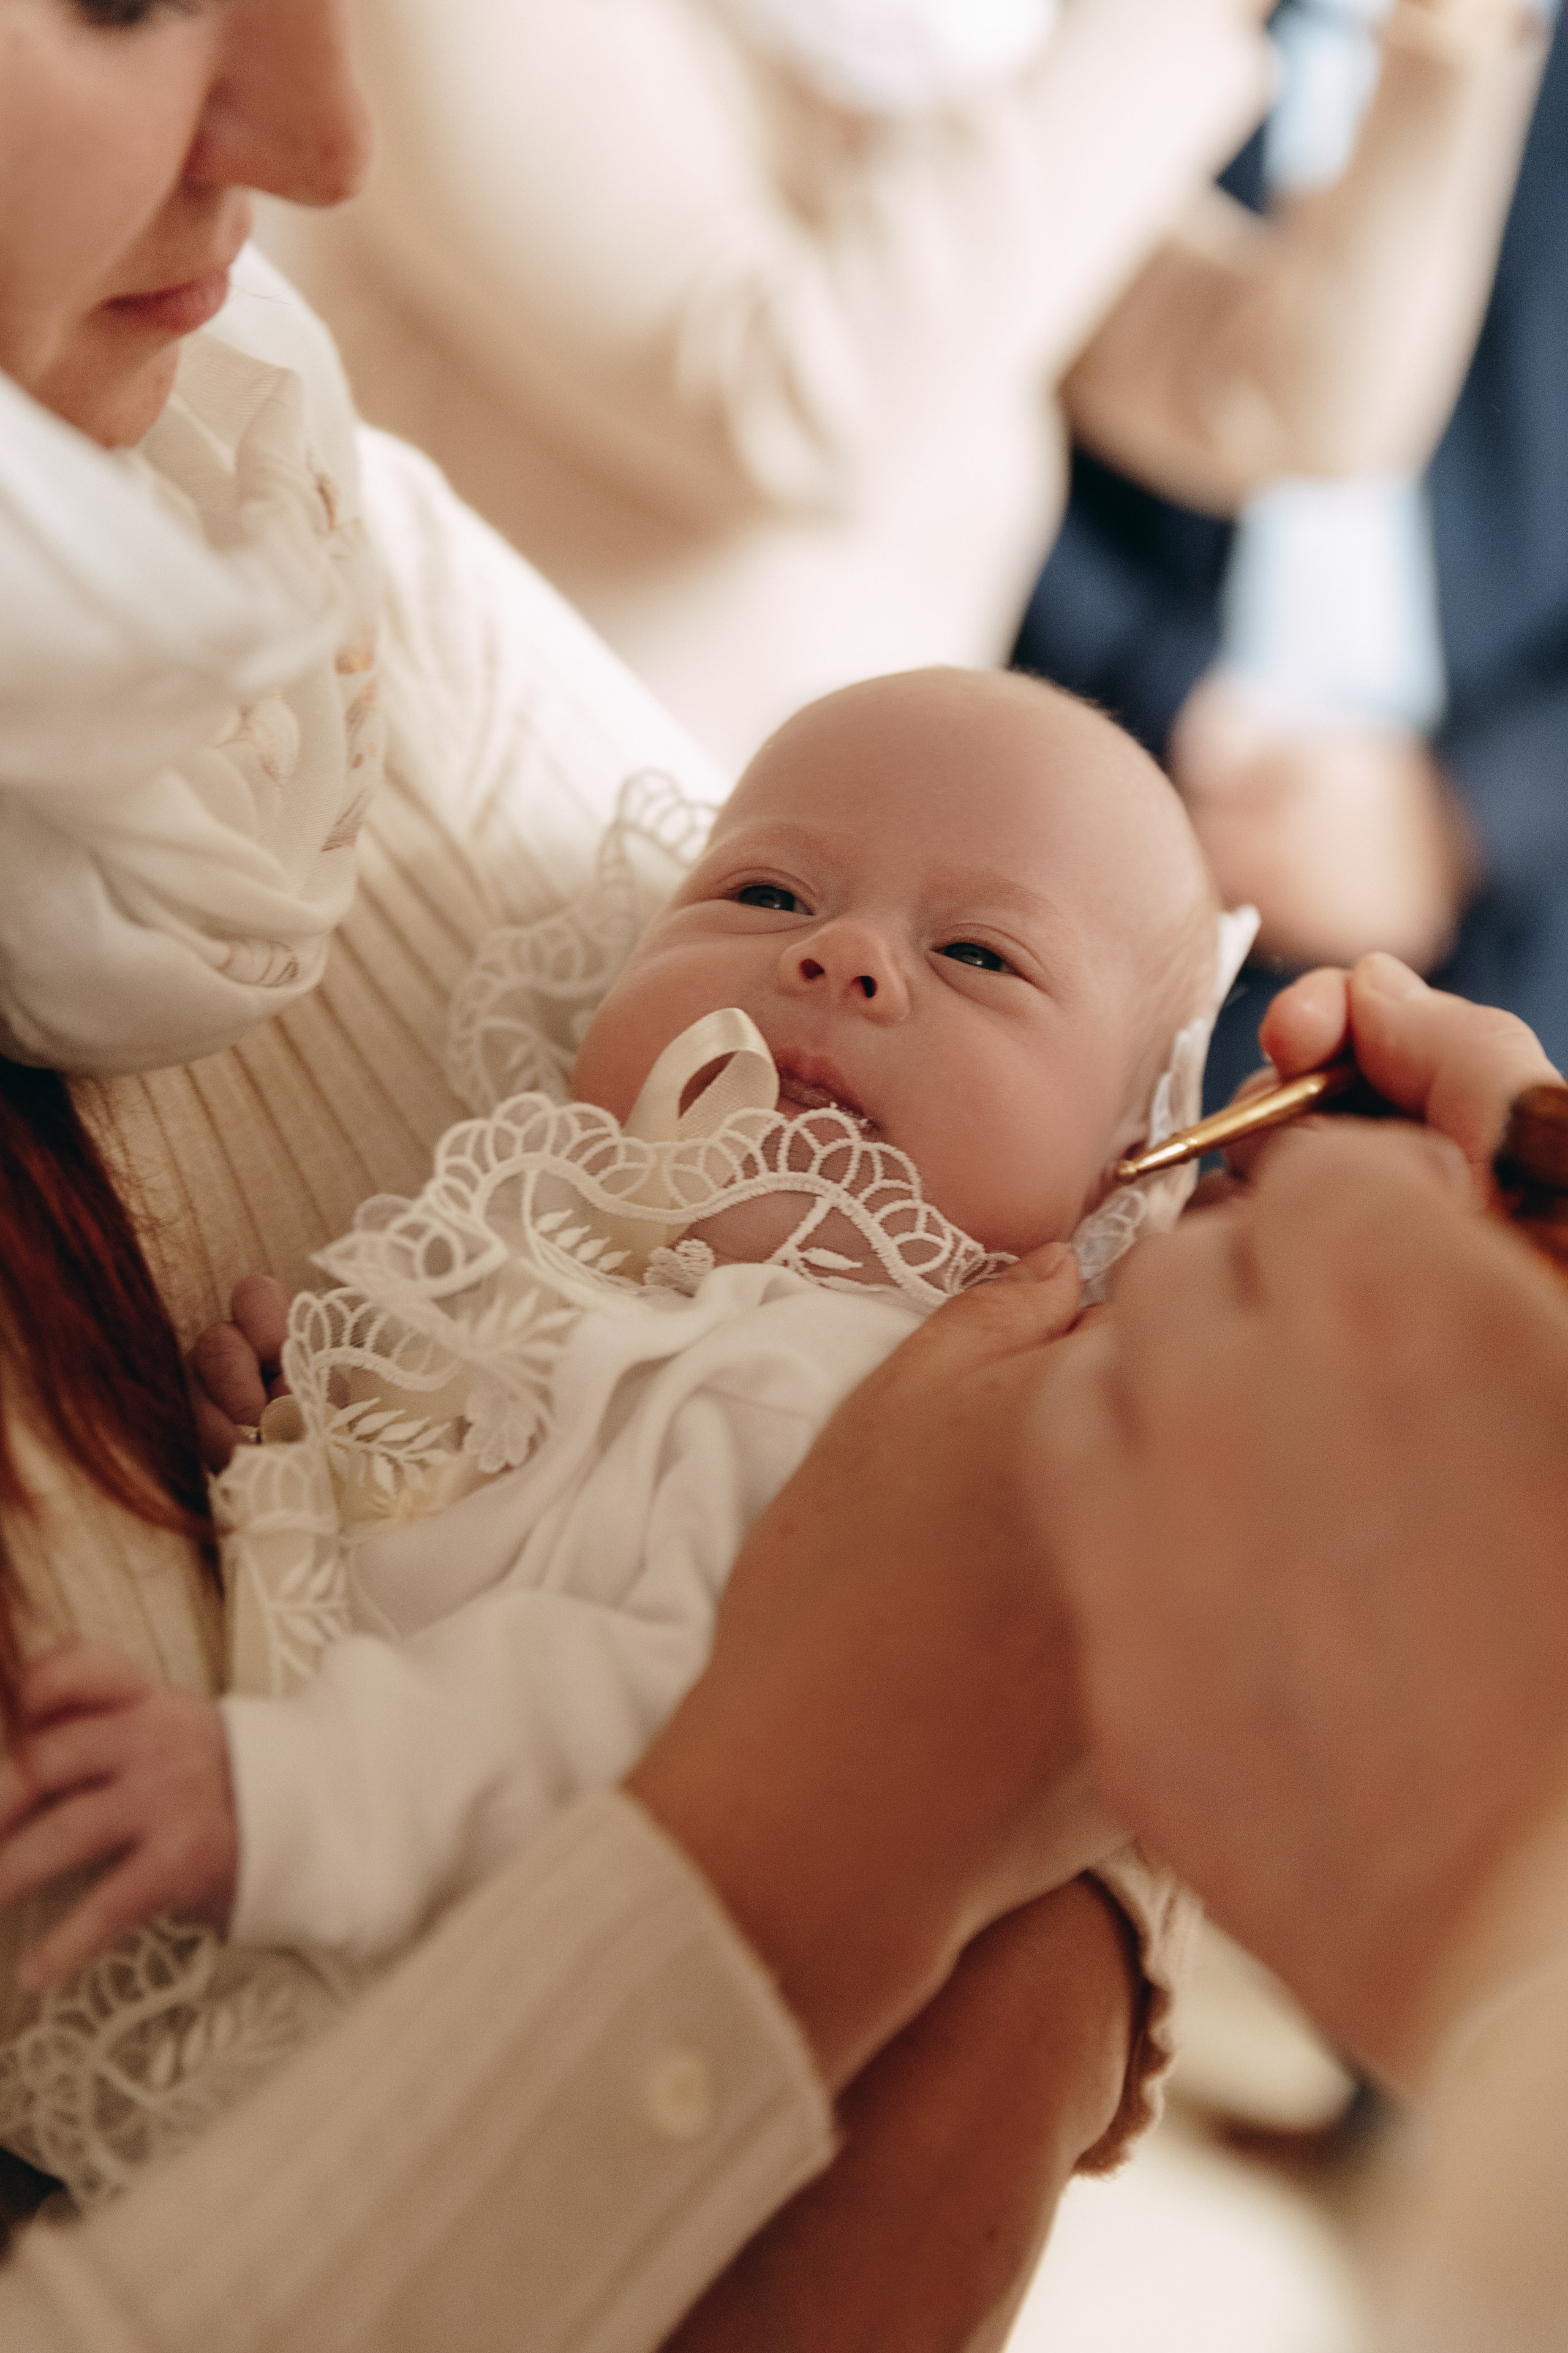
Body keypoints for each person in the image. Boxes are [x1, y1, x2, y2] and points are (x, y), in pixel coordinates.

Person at [0, 0, 1178, 2338]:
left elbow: (693, 1692)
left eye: (968, 960)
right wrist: (326, 1412)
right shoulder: (622, 1184)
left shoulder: (281, 506)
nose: (337, 139)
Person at [0, 673, 1241, 2077]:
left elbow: (662, 1705)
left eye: (979, 956)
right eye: (767, 894)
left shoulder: (868, 1396)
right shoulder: (575, 1258)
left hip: (479, 2047)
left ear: (1116, 1176)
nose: (840, 957)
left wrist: (286, 1794)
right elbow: (464, 1556)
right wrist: (305, 1461)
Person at [265, 0, 1546, 769]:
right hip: (506, 890)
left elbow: (1277, 395)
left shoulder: (854, 41)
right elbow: (795, 406)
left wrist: (1450, 42)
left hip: (806, 919)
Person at [1017, 0, 1568, 1098]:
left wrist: (1464, 809)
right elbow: (980, 376)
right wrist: (1172, 710)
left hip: (1513, 912)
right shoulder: (1094, 32)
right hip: (1091, 828)